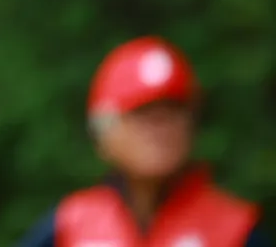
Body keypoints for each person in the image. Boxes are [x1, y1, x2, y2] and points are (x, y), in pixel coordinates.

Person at [15, 36, 271, 247]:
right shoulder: (69, 226)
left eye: (173, 112)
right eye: (144, 115)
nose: (161, 130)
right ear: (104, 132)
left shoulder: (234, 229)